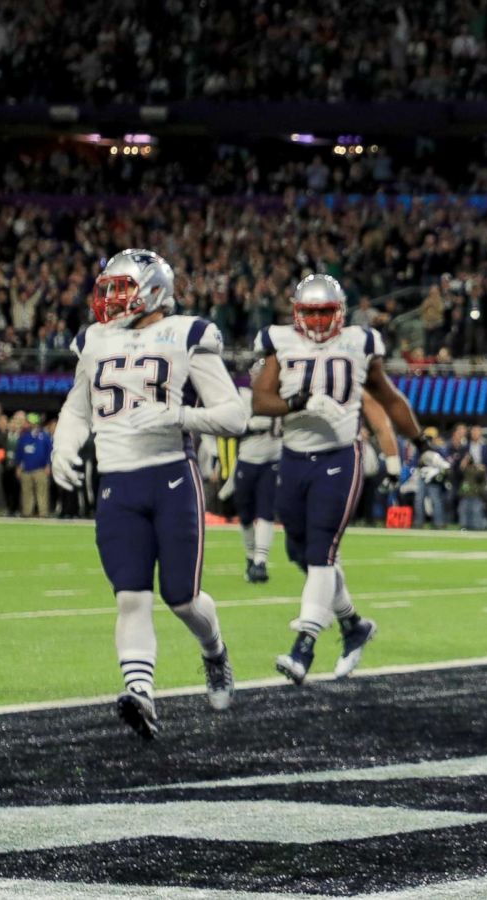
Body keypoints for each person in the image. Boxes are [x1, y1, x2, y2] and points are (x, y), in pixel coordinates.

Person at [51, 248, 248, 739]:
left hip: (171, 478)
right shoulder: (95, 340)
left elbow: (235, 416)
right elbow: (78, 408)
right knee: (130, 599)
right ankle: (141, 693)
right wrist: (64, 447)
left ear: (154, 290)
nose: (112, 300)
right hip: (118, 482)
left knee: (182, 599)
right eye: (109, 290)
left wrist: (179, 415)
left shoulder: (186, 333)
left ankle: (215, 651)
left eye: (122, 289)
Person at [252, 274, 420, 685]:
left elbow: (388, 399)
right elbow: (261, 400)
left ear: (340, 313)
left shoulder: (360, 343)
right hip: (294, 458)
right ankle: (353, 625)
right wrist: (301, 400)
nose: (318, 320)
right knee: (300, 553)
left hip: (341, 456)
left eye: (325, 312)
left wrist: (420, 440)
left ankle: (303, 647)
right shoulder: (279, 341)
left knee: (322, 552)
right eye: (310, 312)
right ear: (296, 313)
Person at [221, 360, 283, 583]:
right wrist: (249, 426)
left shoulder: (282, 395)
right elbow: (229, 424)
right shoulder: (243, 395)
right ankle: (250, 556)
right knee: (245, 513)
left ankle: (260, 562)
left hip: (273, 458)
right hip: (247, 458)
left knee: (266, 509)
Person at [14, 412, 53, 518]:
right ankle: (27, 513)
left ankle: (43, 513)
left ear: (33, 423)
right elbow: (19, 453)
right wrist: (18, 466)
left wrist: (48, 465)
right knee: (26, 492)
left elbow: (50, 451)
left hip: (40, 469)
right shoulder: (23, 436)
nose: (25, 424)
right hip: (26, 469)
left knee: (42, 492)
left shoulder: (44, 436)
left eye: (28, 422)